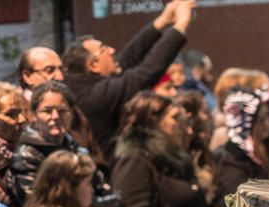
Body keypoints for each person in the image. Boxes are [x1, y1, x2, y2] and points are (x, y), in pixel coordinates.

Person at [62, 0, 196, 157]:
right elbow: (146, 73)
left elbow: (128, 58)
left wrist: (163, 21)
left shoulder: (86, 83)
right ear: (94, 66)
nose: (112, 50)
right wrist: (180, 25)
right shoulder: (94, 96)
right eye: (104, 49)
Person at [17, 47, 106, 167]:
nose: (60, 77)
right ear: (27, 76)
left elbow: (95, 156)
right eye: (50, 70)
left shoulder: (74, 111)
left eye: (61, 69)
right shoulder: (14, 112)